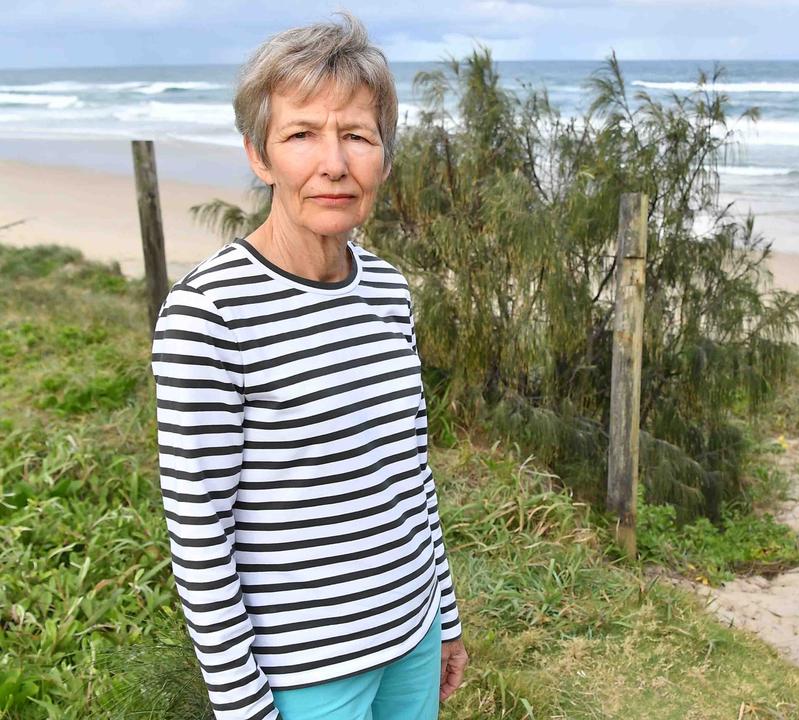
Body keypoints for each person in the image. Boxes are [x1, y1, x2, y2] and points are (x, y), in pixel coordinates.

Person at [152, 14, 465, 720]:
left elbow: (409, 474)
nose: (334, 163)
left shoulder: (387, 289)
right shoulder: (209, 315)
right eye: (302, 135)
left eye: (357, 135)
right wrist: (244, 708)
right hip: (309, 675)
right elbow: (201, 536)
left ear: (383, 154)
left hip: (410, 640)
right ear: (259, 156)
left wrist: (444, 622)